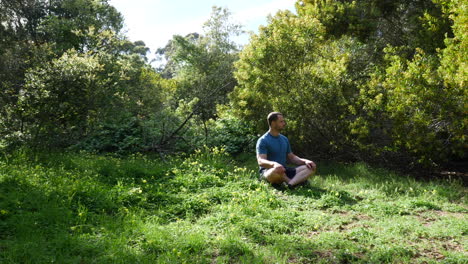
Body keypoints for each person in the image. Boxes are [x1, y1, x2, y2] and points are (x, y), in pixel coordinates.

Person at [256, 112, 316, 188]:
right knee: (276, 170)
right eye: (281, 121)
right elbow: (260, 161)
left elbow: (292, 157)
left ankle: (290, 184)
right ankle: (296, 182)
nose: (284, 123)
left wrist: (306, 161)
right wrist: (274, 164)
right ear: (273, 123)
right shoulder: (263, 140)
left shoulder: (284, 139)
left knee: (310, 168)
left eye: (283, 121)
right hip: (269, 171)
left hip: (284, 170)